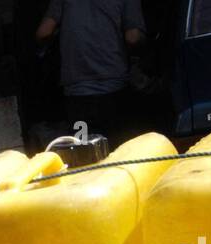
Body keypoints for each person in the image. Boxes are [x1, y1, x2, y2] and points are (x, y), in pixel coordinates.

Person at [36, 0, 145, 145]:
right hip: (114, 88)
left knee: (86, 153)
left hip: (77, 96)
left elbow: (44, 31)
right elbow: (133, 37)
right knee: (119, 151)